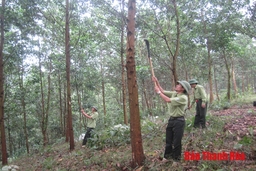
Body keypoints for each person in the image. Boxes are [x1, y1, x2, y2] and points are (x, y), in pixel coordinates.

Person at [152, 76, 191, 162]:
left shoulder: (183, 98)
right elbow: (162, 91)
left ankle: (176, 160)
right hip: (171, 120)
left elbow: (167, 100)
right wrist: (156, 81)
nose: (177, 85)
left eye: (179, 85)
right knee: (168, 140)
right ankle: (167, 157)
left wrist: (158, 92)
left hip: (179, 121)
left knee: (177, 141)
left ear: (183, 89)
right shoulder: (174, 93)